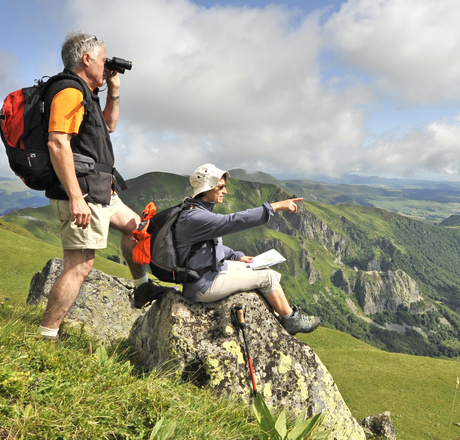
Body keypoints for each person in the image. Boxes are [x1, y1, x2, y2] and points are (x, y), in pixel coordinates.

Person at [37, 32, 153, 340]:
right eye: (103, 59)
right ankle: (45, 335)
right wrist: (76, 198)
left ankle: (141, 287)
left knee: (136, 227)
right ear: (86, 59)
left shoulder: (87, 93)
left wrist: (113, 90)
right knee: (79, 266)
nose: (107, 65)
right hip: (83, 192)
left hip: (101, 190)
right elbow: (57, 141)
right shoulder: (68, 90)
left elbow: (109, 126)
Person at [175, 163, 320, 335]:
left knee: (256, 266)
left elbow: (207, 245)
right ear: (208, 189)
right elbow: (234, 221)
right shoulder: (197, 217)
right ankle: (290, 319)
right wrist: (273, 207)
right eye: (221, 187)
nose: (225, 191)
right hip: (203, 285)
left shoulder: (193, 210)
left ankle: (282, 312)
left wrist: (236, 256)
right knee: (267, 276)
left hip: (204, 274)